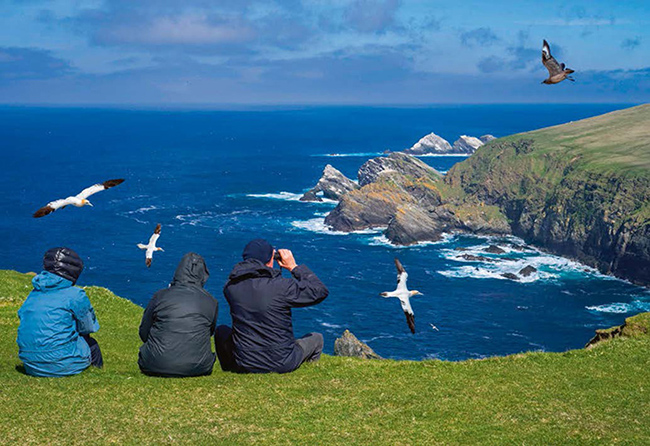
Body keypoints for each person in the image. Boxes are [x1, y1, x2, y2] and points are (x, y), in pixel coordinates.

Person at [218, 239, 329, 374]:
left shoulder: (230, 288)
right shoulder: (282, 287)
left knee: (221, 331)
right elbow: (319, 291)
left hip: (246, 361)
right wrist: (294, 267)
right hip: (282, 361)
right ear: (270, 260)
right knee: (317, 338)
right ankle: (309, 372)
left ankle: (230, 368)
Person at [17, 247, 102, 377]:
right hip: (61, 364)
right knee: (92, 345)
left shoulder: (33, 294)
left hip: (30, 365)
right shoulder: (75, 295)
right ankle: (97, 374)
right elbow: (88, 327)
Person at [138, 252, 218, 377]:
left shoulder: (160, 296)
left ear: (179, 271)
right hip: (199, 367)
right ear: (203, 275)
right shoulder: (211, 301)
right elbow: (210, 332)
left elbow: (144, 332)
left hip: (154, 364)